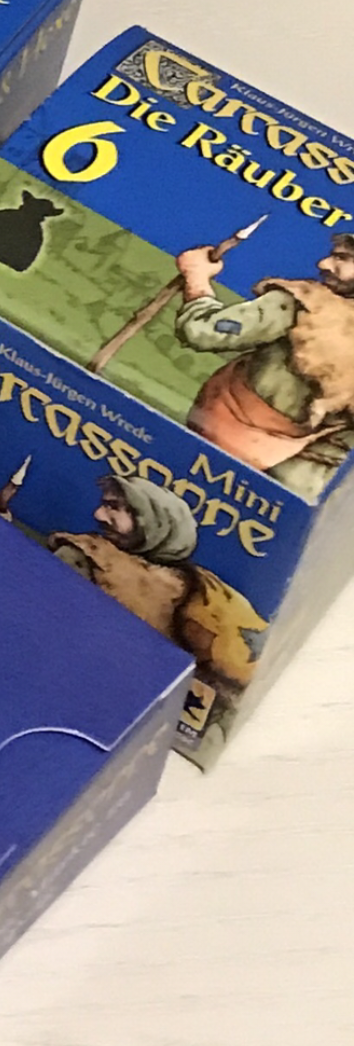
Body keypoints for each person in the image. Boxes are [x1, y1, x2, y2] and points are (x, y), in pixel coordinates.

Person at [48, 475, 265, 729]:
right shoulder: (84, 557)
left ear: (156, 523)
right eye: (105, 505)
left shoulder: (205, 595)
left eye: (113, 507)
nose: (99, 515)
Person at [173, 234, 354, 498]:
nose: (323, 264)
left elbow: (203, 331)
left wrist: (197, 278)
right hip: (309, 486)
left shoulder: (304, 304)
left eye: (342, 258)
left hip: (219, 449)